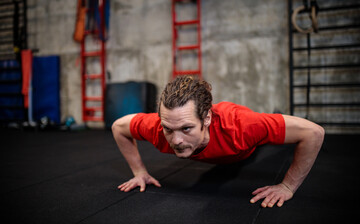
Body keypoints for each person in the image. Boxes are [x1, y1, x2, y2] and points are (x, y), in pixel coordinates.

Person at [112, 75, 325, 208]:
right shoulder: (156, 127)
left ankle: (275, 115)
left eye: (186, 129)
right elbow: (118, 127)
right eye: (169, 129)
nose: (175, 140)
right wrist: (139, 172)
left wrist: (288, 186)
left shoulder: (242, 127)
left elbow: (314, 133)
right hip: (225, 150)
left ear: (207, 118)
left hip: (246, 148)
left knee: (266, 140)